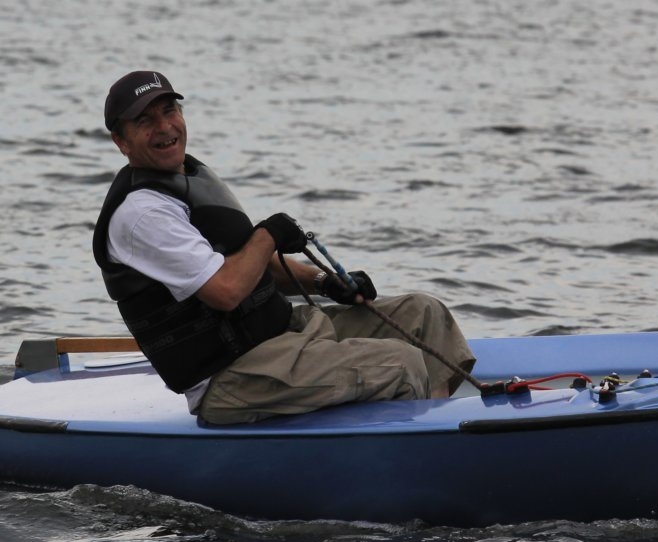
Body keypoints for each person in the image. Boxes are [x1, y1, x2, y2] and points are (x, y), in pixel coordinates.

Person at [93, 70, 476, 425]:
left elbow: (249, 264)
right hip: (233, 377)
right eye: (145, 121)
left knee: (425, 314)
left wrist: (324, 282)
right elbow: (226, 290)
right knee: (401, 362)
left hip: (283, 334)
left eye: (169, 110)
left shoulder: (188, 178)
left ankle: (433, 427)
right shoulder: (142, 215)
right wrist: (268, 235)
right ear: (121, 141)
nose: (164, 127)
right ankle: (416, 448)